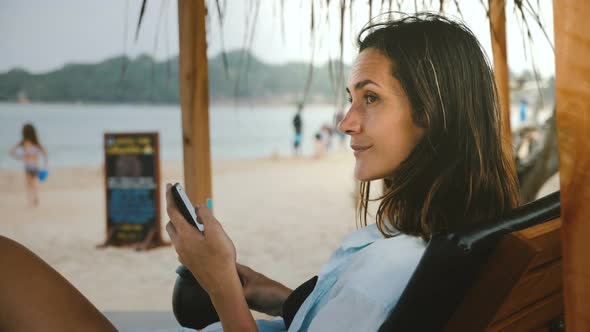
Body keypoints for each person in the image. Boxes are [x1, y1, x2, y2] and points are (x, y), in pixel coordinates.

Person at [0, 13, 519, 331]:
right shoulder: (444, 245)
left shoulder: (392, 267)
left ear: (432, 115)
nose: (346, 121)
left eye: (371, 99)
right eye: (349, 99)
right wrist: (270, 293)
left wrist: (221, 283)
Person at [9, 123, 48, 207]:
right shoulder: (36, 143)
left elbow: (11, 152)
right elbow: (45, 153)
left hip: (28, 166)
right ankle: (35, 198)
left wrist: (20, 157)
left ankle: (30, 201)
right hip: (35, 165)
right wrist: (45, 165)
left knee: (28, 184)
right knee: (34, 183)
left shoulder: (23, 143)